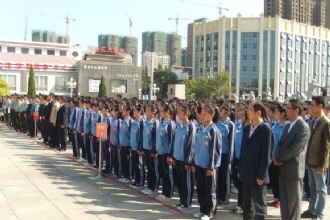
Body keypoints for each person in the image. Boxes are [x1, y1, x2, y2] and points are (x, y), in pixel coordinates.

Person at [272, 99, 310, 220]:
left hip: (293, 169)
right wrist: (276, 156)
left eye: (288, 108)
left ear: (296, 110)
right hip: (283, 168)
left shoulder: (303, 127)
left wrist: (279, 157)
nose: (286, 111)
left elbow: (295, 149)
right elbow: (280, 144)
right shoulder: (288, 125)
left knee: (293, 203)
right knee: (285, 202)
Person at [238, 100, 273, 220]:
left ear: (258, 112)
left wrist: (261, 175)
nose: (247, 112)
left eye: (250, 110)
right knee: (247, 206)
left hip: (257, 175)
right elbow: (243, 151)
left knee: (259, 206)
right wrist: (240, 169)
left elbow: (266, 155)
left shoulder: (266, 129)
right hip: (246, 173)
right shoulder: (247, 129)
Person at [301, 96, 330, 220]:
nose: (310, 108)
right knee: (312, 187)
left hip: (318, 162)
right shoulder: (313, 121)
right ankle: (312, 210)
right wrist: (306, 160)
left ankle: (319, 213)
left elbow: (326, 146)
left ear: (320, 106)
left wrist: (322, 164)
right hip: (311, 161)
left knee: (321, 189)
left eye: (312, 105)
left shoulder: (326, 123)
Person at [192, 105, 222, 220]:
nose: (202, 116)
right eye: (201, 114)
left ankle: (210, 212)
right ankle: (202, 209)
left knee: (210, 191)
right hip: (199, 164)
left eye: (205, 114)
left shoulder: (213, 130)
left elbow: (215, 150)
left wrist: (211, 167)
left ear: (211, 115)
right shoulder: (200, 128)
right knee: (200, 189)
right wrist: (195, 163)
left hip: (209, 166)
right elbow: (196, 147)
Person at [169, 104, 196, 210]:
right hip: (178, 158)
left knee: (187, 182)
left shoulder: (191, 126)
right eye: (178, 112)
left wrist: (188, 161)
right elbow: (175, 142)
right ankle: (181, 200)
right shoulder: (179, 126)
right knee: (179, 181)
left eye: (180, 112)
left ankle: (187, 202)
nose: (178, 114)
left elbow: (191, 145)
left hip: (185, 160)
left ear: (186, 114)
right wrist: (173, 156)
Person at [155, 103, 176, 202]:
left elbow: (171, 140)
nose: (161, 112)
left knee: (168, 174)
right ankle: (164, 191)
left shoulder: (170, 124)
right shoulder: (162, 122)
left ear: (168, 112)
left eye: (163, 111)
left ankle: (168, 193)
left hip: (166, 153)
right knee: (163, 173)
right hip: (160, 152)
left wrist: (170, 155)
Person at [269, 103, 289, 208]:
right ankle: (276, 197)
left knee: (280, 179)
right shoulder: (274, 125)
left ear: (282, 114)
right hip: (272, 156)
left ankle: (281, 199)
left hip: (280, 157)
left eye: (277, 112)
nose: (275, 114)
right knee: (273, 178)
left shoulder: (287, 126)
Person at [216, 103, 235, 205]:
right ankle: (219, 196)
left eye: (222, 110)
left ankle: (225, 198)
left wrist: (230, 157)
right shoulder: (218, 124)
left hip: (225, 154)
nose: (219, 112)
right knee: (218, 177)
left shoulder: (230, 125)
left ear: (227, 113)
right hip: (218, 154)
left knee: (226, 177)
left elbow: (231, 142)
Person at [141, 105, 160, 195]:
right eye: (146, 110)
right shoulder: (146, 122)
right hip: (146, 148)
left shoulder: (155, 122)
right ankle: (149, 186)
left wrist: (154, 150)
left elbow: (155, 137)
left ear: (153, 112)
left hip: (152, 150)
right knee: (149, 168)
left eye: (148, 110)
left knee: (153, 169)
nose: (146, 112)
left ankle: (154, 187)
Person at [130, 104, 146, 188]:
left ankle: (141, 181)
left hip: (138, 147)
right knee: (135, 164)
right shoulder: (134, 121)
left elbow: (142, 136)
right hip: (133, 146)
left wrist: (140, 147)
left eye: (135, 111)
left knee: (140, 165)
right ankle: (136, 180)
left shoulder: (142, 122)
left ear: (140, 112)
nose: (134, 112)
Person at [118, 104, 133, 183]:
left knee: (128, 162)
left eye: (124, 110)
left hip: (127, 145)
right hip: (122, 144)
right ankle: (124, 175)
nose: (122, 111)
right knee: (123, 161)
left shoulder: (130, 121)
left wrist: (130, 146)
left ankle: (128, 176)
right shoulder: (123, 121)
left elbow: (131, 135)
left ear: (128, 111)